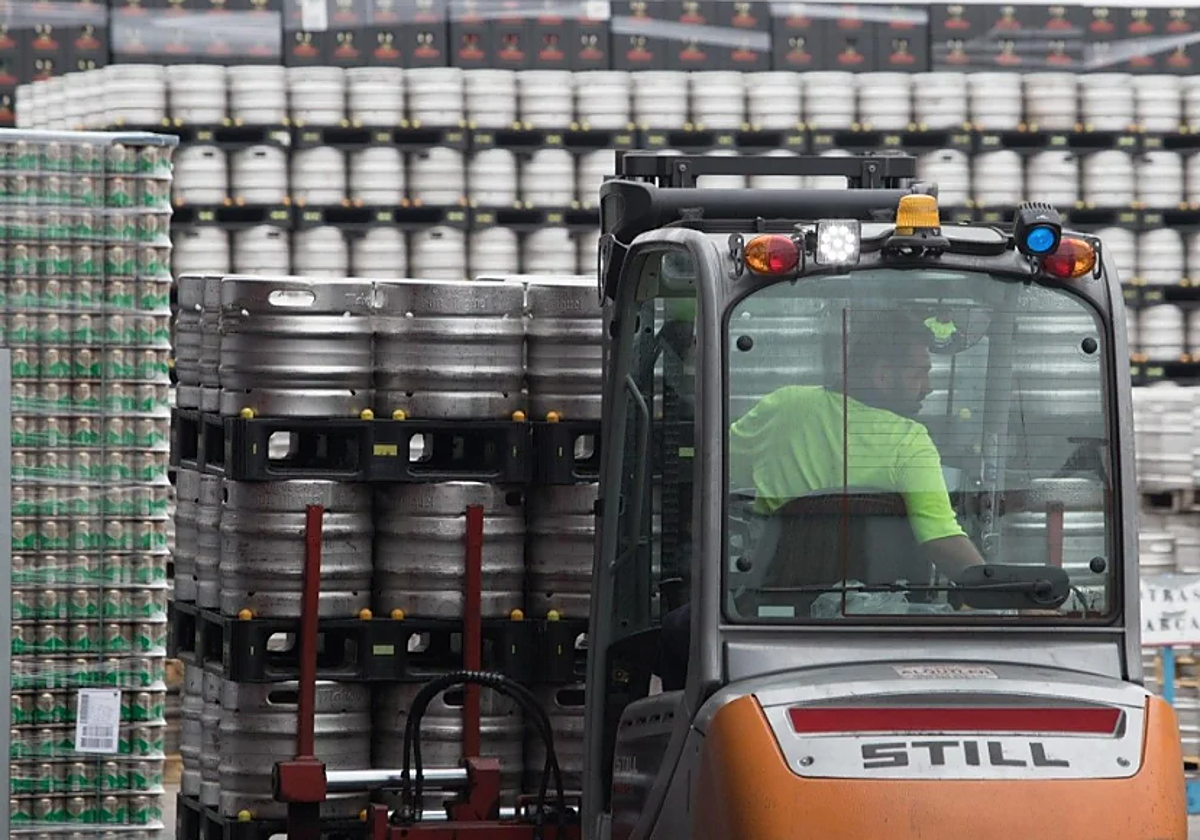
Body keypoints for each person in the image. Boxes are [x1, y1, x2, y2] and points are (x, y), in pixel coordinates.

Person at [654, 308, 985, 691]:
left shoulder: (786, 408)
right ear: (881, 375)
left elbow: (716, 473)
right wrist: (998, 589)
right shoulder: (909, 441)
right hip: (879, 622)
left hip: (769, 616)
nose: (927, 387)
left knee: (678, 631)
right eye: (918, 374)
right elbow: (942, 539)